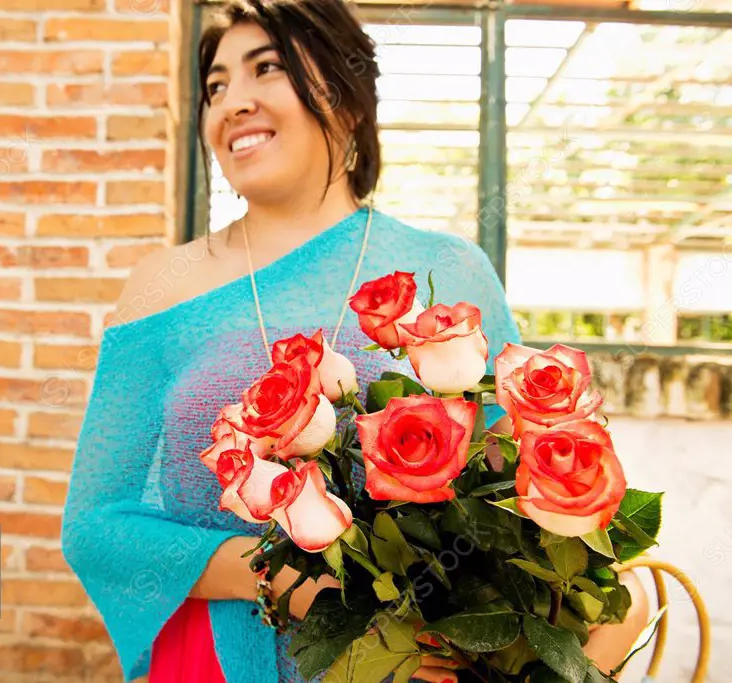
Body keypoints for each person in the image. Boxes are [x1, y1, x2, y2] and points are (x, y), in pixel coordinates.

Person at [61, 0, 649, 681]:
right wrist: (284, 578)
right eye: (216, 87)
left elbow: (515, 495)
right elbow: (95, 526)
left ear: (345, 97)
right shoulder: (162, 283)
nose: (232, 103)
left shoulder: (449, 272)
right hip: (220, 657)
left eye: (266, 69)